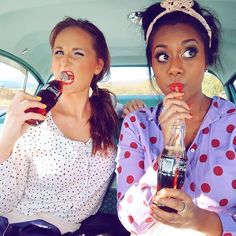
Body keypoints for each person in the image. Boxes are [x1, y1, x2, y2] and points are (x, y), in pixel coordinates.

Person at [0, 17, 132, 236]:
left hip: (82, 228)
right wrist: (6, 140)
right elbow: (4, 203)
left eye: (77, 53)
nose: (65, 61)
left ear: (97, 65)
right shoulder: (34, 118)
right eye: (59, 52)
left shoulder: (108, 110)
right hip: (26, 227)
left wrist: (134, 112)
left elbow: (134, 120)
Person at [116, 0, 236, 235]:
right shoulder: (137, 125)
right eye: (162, 56)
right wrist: (170, 147)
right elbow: (130, 217)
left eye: (189, 52)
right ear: (152, 64)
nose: (175, 68)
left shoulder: (232, 124)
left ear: (206, 60)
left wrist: (200, 221)